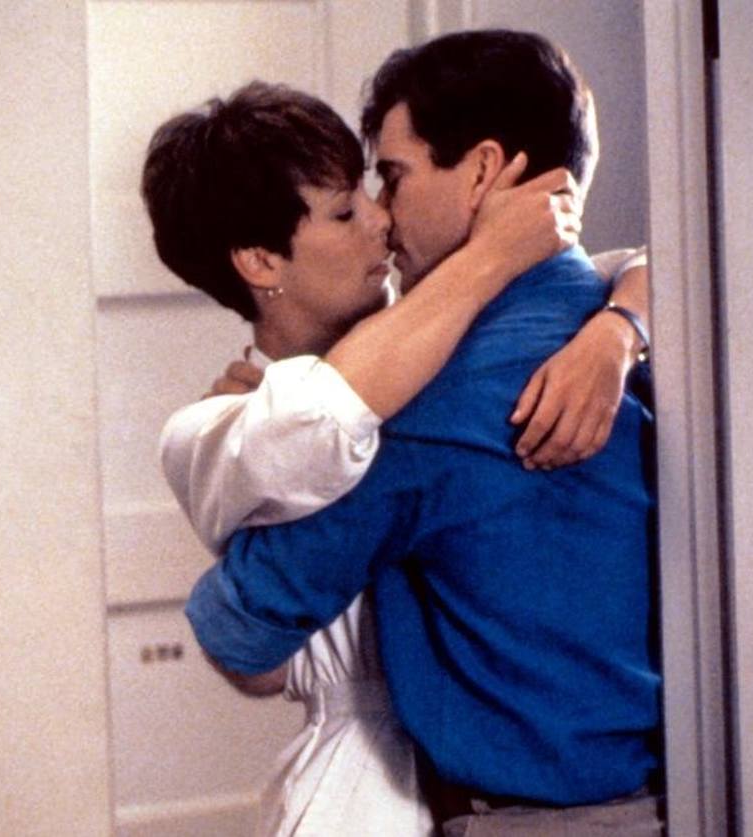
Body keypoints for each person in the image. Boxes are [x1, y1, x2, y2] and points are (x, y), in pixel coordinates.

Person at [181, 30, 661, 837]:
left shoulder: (434, 406)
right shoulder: (638, 321)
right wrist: (624, 326)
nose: (383, 213)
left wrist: (267, 451)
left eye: (395, 176)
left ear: (481, 170)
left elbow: (238, 631)